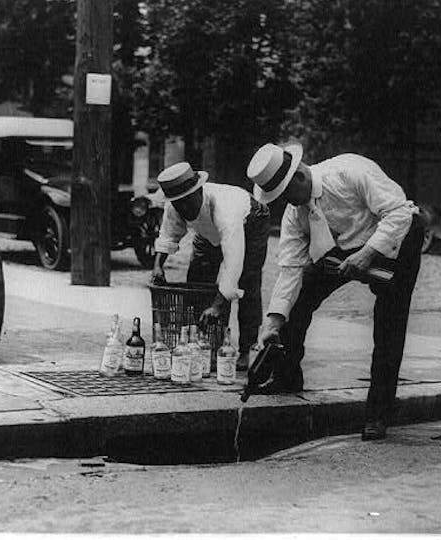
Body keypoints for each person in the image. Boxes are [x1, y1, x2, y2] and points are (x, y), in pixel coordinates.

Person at [247, 143, 424, 441]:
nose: (288, 204)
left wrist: (368, 254)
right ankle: (287, 376)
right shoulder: (295, 212)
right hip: (341, 249)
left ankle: (378, 415)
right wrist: (272, 322)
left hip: (397, 237)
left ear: (300, 176)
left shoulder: (349, 171)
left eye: (286, 195)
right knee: (299, 300)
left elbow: (399, 213)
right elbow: (290, 269)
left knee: (389, 326)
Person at [151, 161, 270, 370]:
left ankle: (246, 350)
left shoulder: (226, 211)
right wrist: (158, 266)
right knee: (196, 281)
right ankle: (199, 342)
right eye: (179, 204)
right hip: (206, 232)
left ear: (199, 191)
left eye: (188, 202)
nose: (185, 209)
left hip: (250, 220)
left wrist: (217, 304)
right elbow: (168, 234)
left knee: (247, 284)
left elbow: (234, 263)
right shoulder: (175, 204)